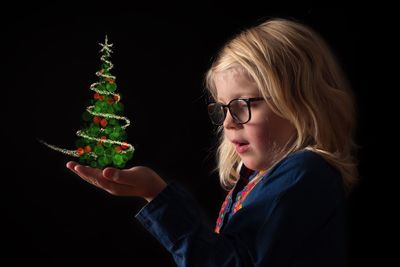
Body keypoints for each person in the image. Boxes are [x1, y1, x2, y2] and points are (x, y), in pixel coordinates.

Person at [66, 18, 358, 267]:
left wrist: (156, 194)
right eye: (223, 108)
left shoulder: (305, 173)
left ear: (299, 103)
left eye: (243, 104)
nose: (229, 122)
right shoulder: (259, 179)